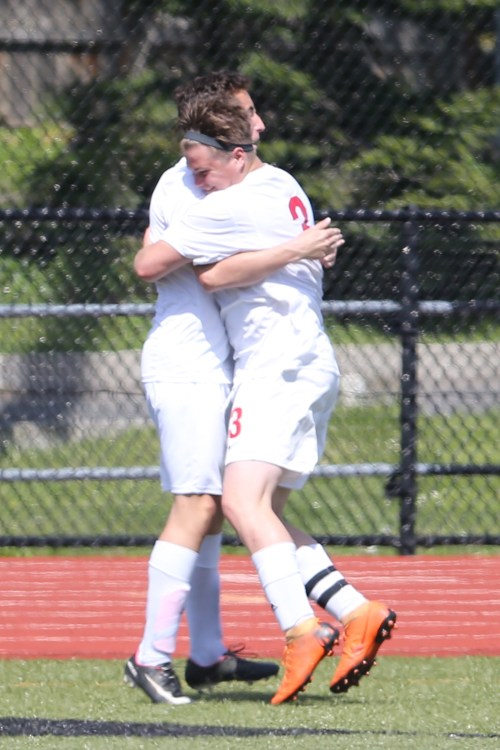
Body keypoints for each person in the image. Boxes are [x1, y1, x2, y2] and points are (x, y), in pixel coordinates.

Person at [135, 95, 397, 705]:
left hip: (274, 367)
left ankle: (300, 631)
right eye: (248, 110)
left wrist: (171, 234)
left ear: (235, 154)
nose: (198, 180)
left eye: (204, 169)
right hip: (306, 362)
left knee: (237, 501)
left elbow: (165, 266)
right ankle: (353, 610)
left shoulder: (224, 204)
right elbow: (279, 249)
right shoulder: (282, 182)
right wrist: (298, 248)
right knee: (261, 510)